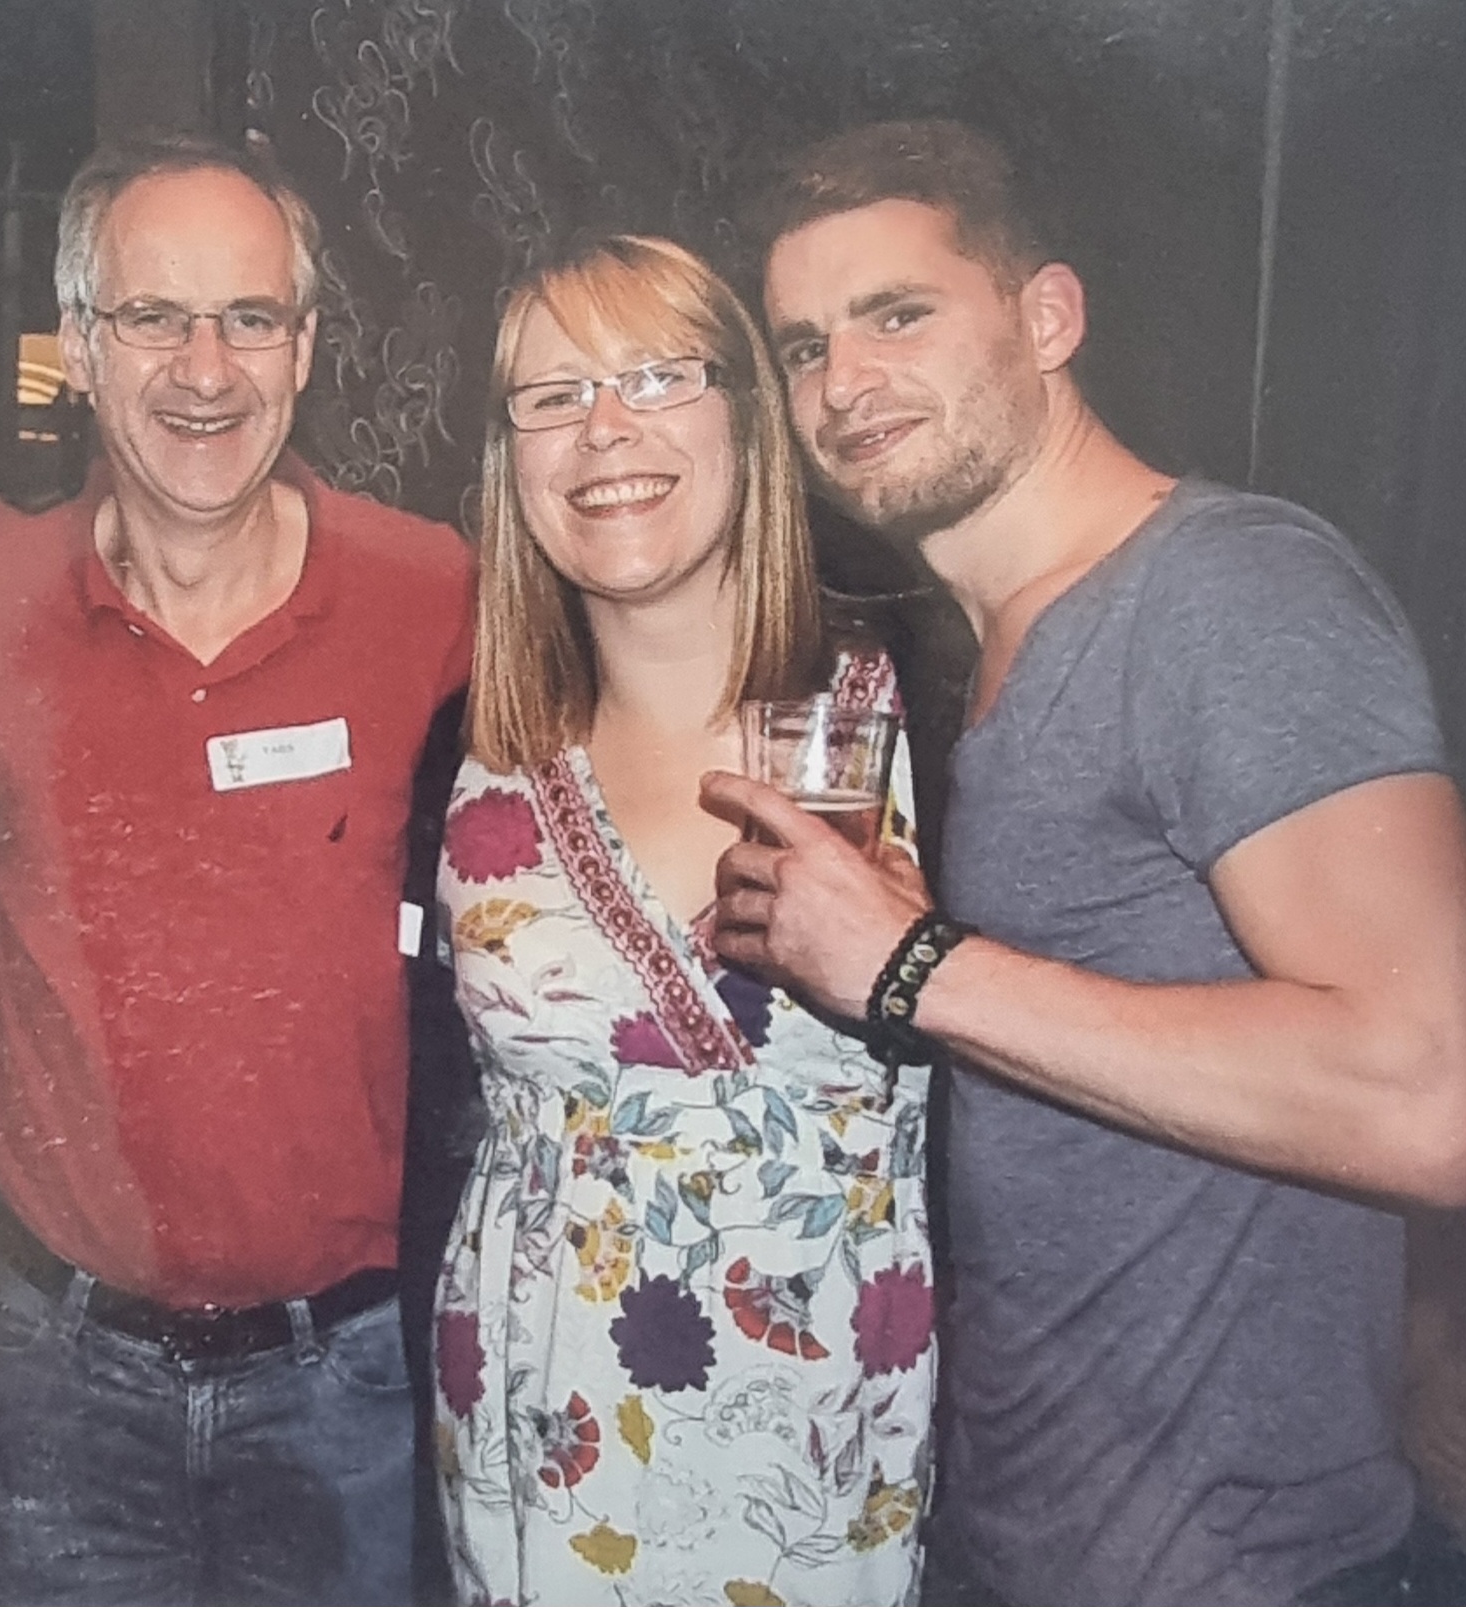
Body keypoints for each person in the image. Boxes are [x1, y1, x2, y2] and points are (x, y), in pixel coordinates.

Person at [707, 117, 1466, 1606]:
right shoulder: (990, 652)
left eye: (899, 316)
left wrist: (914, 965)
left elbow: (1432, 1089)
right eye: (804, 346)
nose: (843, 384)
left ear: (1048, 317)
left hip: (1250, 1572)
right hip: (1033, 1546)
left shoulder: (1228, 593)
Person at [0, 133, 475, 1605]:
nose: (204, 369)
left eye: (249, 318)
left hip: (346, 1375)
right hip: (57, 1363)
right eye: (152, 318)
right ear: (82, 353)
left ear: (304, 350)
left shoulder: (435, 593)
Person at [430, 234, 933, 1607]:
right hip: (543, 1473)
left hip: (847, 1470)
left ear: (748, 418)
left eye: (659, 375)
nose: (605, 432)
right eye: (552, 394)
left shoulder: (922, 714)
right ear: (509, 455)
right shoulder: (463, 752)